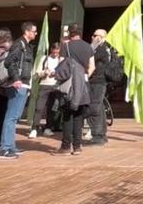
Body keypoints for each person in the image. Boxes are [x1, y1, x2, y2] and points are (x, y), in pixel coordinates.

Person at [0, 22, 38, 160]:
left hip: (23, 84)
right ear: (27, 31)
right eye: (34, 31)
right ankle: (5, 148)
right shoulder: (19, 44)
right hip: (18, 84)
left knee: (14, 117)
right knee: (11, 117)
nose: (36, 34)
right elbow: (9, 61)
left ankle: (10, 146)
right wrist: (16, 78)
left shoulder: (24, 45)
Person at [58, 26, 95, 155]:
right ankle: (78, 146)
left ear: (70, 34)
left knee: (68, 115)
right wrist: (85, 76)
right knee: (79, 115)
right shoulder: (88, 47)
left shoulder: (66, 46)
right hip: (83, 84)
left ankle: (66, 146)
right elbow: (92, 66)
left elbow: (61, 65)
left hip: (70, 85)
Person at [29, 42, 62, 138]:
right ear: (51, 50)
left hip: (55, 86)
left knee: (52, 108)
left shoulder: (60, 60)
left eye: (57, 52)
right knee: (39, 107)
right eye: (54, 52)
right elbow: (38, 72)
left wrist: (56, 74)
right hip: (44, 85)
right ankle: (34, 128)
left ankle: (48, 127)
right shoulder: (44, 58)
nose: (55, 54)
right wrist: (44, 72)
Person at [86, 29, 111, 145]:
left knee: (94, 107)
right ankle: (101, 133)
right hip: (98, 81)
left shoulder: (100, 49)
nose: (92, 37)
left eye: (94, 35)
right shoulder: (103, 48)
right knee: (99, 107)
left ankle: (97, 136)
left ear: (99, 38)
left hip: (97, 81)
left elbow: (88, 60)